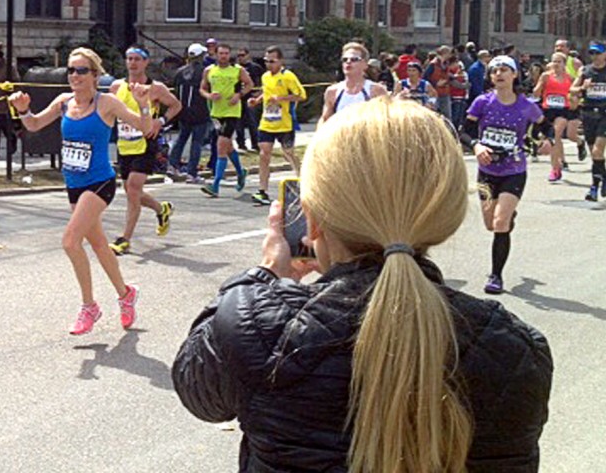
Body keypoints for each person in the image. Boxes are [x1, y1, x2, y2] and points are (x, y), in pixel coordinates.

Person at [173, 98, 552, 473]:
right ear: (444, 215)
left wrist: (266, 274)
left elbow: (199, 393)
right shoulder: (518, 351)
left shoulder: (257, 329)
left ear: (312, 218)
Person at [7, 48, 149, 335]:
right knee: (98, 245)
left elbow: (145, 128)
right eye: (71, 70)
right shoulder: (63, 103)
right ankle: (126, 294)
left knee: (71, 241)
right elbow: (33, 124)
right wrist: (23, 110)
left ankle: (89, 306)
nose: (74, 76)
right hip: (74, 184)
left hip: (100, 182)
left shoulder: (106, 103)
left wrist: (144, 105)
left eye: (81, 70)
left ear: (95, 75)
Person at [459, 55, 551, 294]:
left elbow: (544, 124)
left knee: (500, 223)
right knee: (492, 224)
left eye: (504, 70)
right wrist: (477, 146)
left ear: (514, 75)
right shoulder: (482, 102)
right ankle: (510, 216)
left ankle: (496, 276)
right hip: (487, 171)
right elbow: (465, 131)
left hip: (514, 170)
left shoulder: (525, 105)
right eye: (494, 71)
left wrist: (546, 140)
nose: (498, 74)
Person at [108, 46, 182, 256]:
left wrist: (161, 121)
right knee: (134, 193)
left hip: (146, 143)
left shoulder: (155, 88)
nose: (132, 63)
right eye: (129, 58)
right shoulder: (116, 87)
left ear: (146, 63)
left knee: (132, 189)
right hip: (125, 144)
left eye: (137, 59)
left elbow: (176, 106)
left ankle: (125, 239)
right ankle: (162, 209)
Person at [248, 46, 306, 206]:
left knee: (289, 154)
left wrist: (280, 98)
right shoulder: (265, 76)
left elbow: (301, 95)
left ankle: (304, 182)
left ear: (280, 61)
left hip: (284, 124)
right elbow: (266, 92)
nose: (269, 64)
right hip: (267, 122)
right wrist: (257, 100)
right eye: (266, 61)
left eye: (272, 61)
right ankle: (262, 191)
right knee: (264, 154)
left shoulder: (288, 76)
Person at [199, 44, 254, 198]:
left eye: (226, 53)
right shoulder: (209, 70)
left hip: (232, 111)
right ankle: (240, 172)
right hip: (216, 112)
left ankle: (215, 185)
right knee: (228, 146)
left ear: (230, 55)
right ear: (216, 55)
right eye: (221, 53)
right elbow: (202, 88)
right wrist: (209, 96)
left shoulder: (238, 70)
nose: (223, 56)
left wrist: (239, 95)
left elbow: (250, 84)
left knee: (220, 146)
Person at [533, 51, 584, 182]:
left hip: (562, 111)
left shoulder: (570, 79)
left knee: (555, 135)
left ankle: (555, 170)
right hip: (547, 110)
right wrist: (539, 84)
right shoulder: (545, 76)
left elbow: (575, 95)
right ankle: (558, 164)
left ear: (564, 64)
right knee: (552, 139)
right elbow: (536, 93)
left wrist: (574, 101)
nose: (555, 64)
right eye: (554, 61)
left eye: (559, 62)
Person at [168, 44, 212, 185]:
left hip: (183, 111)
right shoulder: (204, 72)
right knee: (196, 142)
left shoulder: (179, 72)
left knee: (181, 138)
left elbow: (174, 90)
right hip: (200, 112)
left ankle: (172, 165)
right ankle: (192, 173)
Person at [571, 41, 606, 202]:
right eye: (592, 53)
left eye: (598, 53)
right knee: (594, 154)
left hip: (604, 114)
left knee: (598, 151)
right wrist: (582, 88)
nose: (595, 57)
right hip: (588, 113)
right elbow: (572, 89)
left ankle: (593, 188)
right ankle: (603, 178)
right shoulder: (585, 71)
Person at [319, 41, 388, 122]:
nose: (348, 62)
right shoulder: (332, 92)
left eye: (354, 59)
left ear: (365, 64)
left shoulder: (376, 90)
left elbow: (385, 120)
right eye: (345, 59)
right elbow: (325, 121)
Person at [234, 48, 264, 151]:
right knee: (239, 123)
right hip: (239, 98)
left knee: (252, 122)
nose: (240, 58)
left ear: (248, 55)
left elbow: (262, 81)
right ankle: (241, 143)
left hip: (251, 98)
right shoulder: (235, 68)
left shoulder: (255, 68)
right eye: (238, 56)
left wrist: (259, 93)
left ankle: (255, 143)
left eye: (242, 55)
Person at [423, 45, 454, 120]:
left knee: (447, 116)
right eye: (449, 53)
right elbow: (425, 77)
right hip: (434, 93)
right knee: (433, 114)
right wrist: (435, 84)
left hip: (445, 92)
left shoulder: (445, 64)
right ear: (445, 53)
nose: (450, 55)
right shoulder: (433, 64)